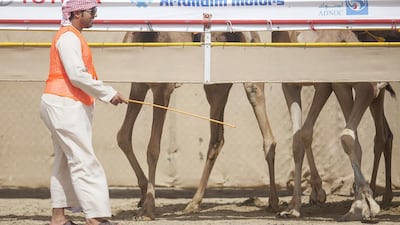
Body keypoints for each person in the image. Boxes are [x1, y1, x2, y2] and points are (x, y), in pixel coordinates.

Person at [40, 0, 125, 224]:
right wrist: (108, 93)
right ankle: (95, 216)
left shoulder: (71, 36)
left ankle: (58, 218)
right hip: (64, 105)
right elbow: (77, 75)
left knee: (65, 161)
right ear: (77, 12)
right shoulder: (68, 37)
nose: (95, 15)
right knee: (84, 161)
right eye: (92, 11)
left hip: (61, 104)